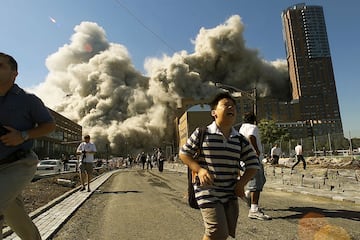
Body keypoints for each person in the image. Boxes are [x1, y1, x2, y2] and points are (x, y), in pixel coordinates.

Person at [180, 92, 260, 240]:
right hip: (207, 191)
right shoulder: (202, 133)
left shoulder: (240, 140)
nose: (231, 108)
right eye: (225, 105)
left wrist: (242, 183)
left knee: (219, 234)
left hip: (229, 193)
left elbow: (253, 164)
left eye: (233, 106)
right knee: (218, 231)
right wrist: (200, 170)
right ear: (214, 113)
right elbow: (184, 154)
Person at [0, 52, 56, 240]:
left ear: (14, 73)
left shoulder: (28, 100)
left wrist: (22, 135)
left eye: (0, 66)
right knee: (14, 215)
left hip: (18, 164)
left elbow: (49, 125)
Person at [239, 112, 271, 220]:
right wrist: (256, 151)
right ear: (254, 120)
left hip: (244, 158)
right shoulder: (253, 127)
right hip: (253, 158)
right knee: (256, 184)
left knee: (261, 180)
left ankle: (248, 195)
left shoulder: (242, 128)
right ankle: (254, 210)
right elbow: (251, 137)